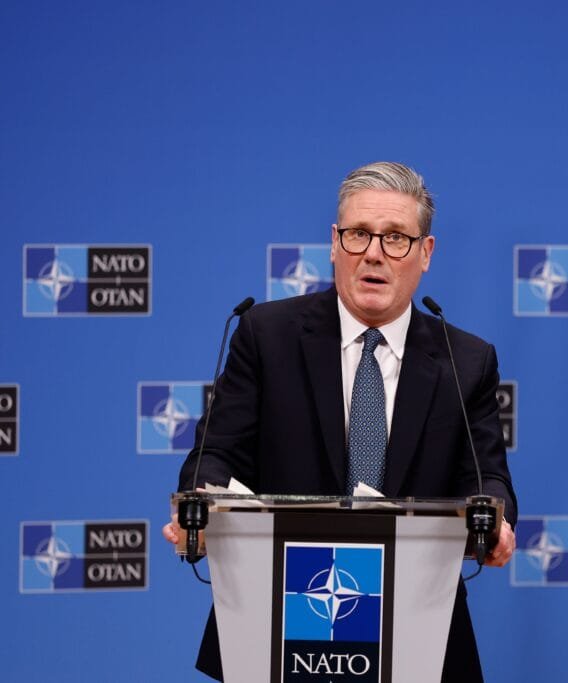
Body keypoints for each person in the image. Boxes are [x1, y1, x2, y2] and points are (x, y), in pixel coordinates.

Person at [162, 161, 517, 682]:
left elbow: (487, 477)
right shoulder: (267, 336)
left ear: (426, 253)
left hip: (419, 627)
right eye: (358, 235)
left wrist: (496, 521)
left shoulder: (465, 360)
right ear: (334, 243)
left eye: (396, 238)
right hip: (277, 620)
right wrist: (200, 502)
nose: (373, 253)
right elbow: (215, 453)